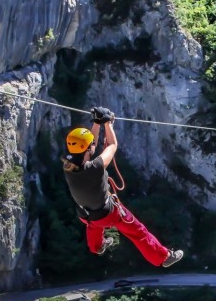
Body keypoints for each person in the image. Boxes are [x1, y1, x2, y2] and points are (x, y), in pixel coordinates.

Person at [62, 107, 183, 268]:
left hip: (85, 214)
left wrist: (97, 122)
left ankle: (97, 247)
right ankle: (163, 257)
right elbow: (112, 145)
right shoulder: (95, 168)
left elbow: (90, 146)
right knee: (138, 232)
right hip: (108, 213)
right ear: (88, 148)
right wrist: (108, 123)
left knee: (93, 225)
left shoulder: (68, 164)